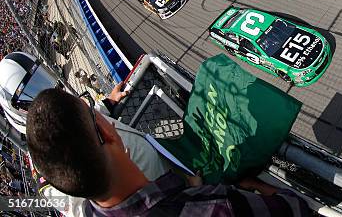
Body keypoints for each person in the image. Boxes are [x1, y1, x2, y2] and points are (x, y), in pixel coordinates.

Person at [26, 88, 311, 216]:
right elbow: (295, 209)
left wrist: (188, 190)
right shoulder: (215, 207)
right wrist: (258, 188)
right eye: (91, 109)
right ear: (106, 132)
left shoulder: (87, 210)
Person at [0, 52, 171, 216]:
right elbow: (80, 211)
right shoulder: (45, 167)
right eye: (30, 91)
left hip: (164, 172)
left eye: (41, 77)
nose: (45, 91)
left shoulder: (67, 111)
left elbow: (84, 118)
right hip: (154, 201)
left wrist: (108, 103)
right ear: (16, 109)